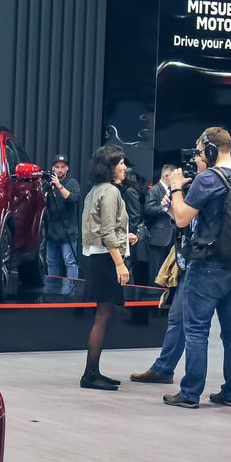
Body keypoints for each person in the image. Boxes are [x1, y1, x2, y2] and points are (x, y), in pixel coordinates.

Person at [163, 127, 231, 408]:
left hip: (208, 265)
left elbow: (182, 218)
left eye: (200, 151)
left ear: (210, 149)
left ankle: (190, 393)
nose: (198, 157)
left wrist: (175, 187)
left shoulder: (208, 178)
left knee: (196, 330)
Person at [79, 145, 135, 390]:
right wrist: (120, 264)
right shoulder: (111, 191)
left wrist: (125, 237)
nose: (124, 167)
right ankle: (90, 374)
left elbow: (99, 227)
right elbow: (107, 232)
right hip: (105, 259)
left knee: (103, 315)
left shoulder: (95, 190)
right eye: (121, 163)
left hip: (97, 257)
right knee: (103, 317)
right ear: (110, 166)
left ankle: (93, 371)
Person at [43, 154, 81, 297]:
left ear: (67, 168)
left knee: (70, 262)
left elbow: (73, 199)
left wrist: (58, 185)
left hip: (68, 231)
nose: (59, 170)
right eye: (57, 167)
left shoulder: (72, 183)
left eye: (62, 167)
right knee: (51, 261)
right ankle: (52, 291)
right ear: (53, 168)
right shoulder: (48, 183)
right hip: (51, 231)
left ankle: (70, 292)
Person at [144, 164, 180, 282]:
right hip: (158, 237)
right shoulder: (154, 190)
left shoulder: (175, 191)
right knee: (155, 271)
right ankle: (153, 292)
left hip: (173, 237)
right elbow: (148, 209)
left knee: (169, 272)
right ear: (167, 176)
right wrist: (165, 208)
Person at [121, 169, 150, 285]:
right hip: (128, 232)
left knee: (127, 265)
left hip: (130, 233)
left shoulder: (129, 191)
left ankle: (128, 292)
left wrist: (129, 233)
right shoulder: (129, 190)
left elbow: (135, 215)